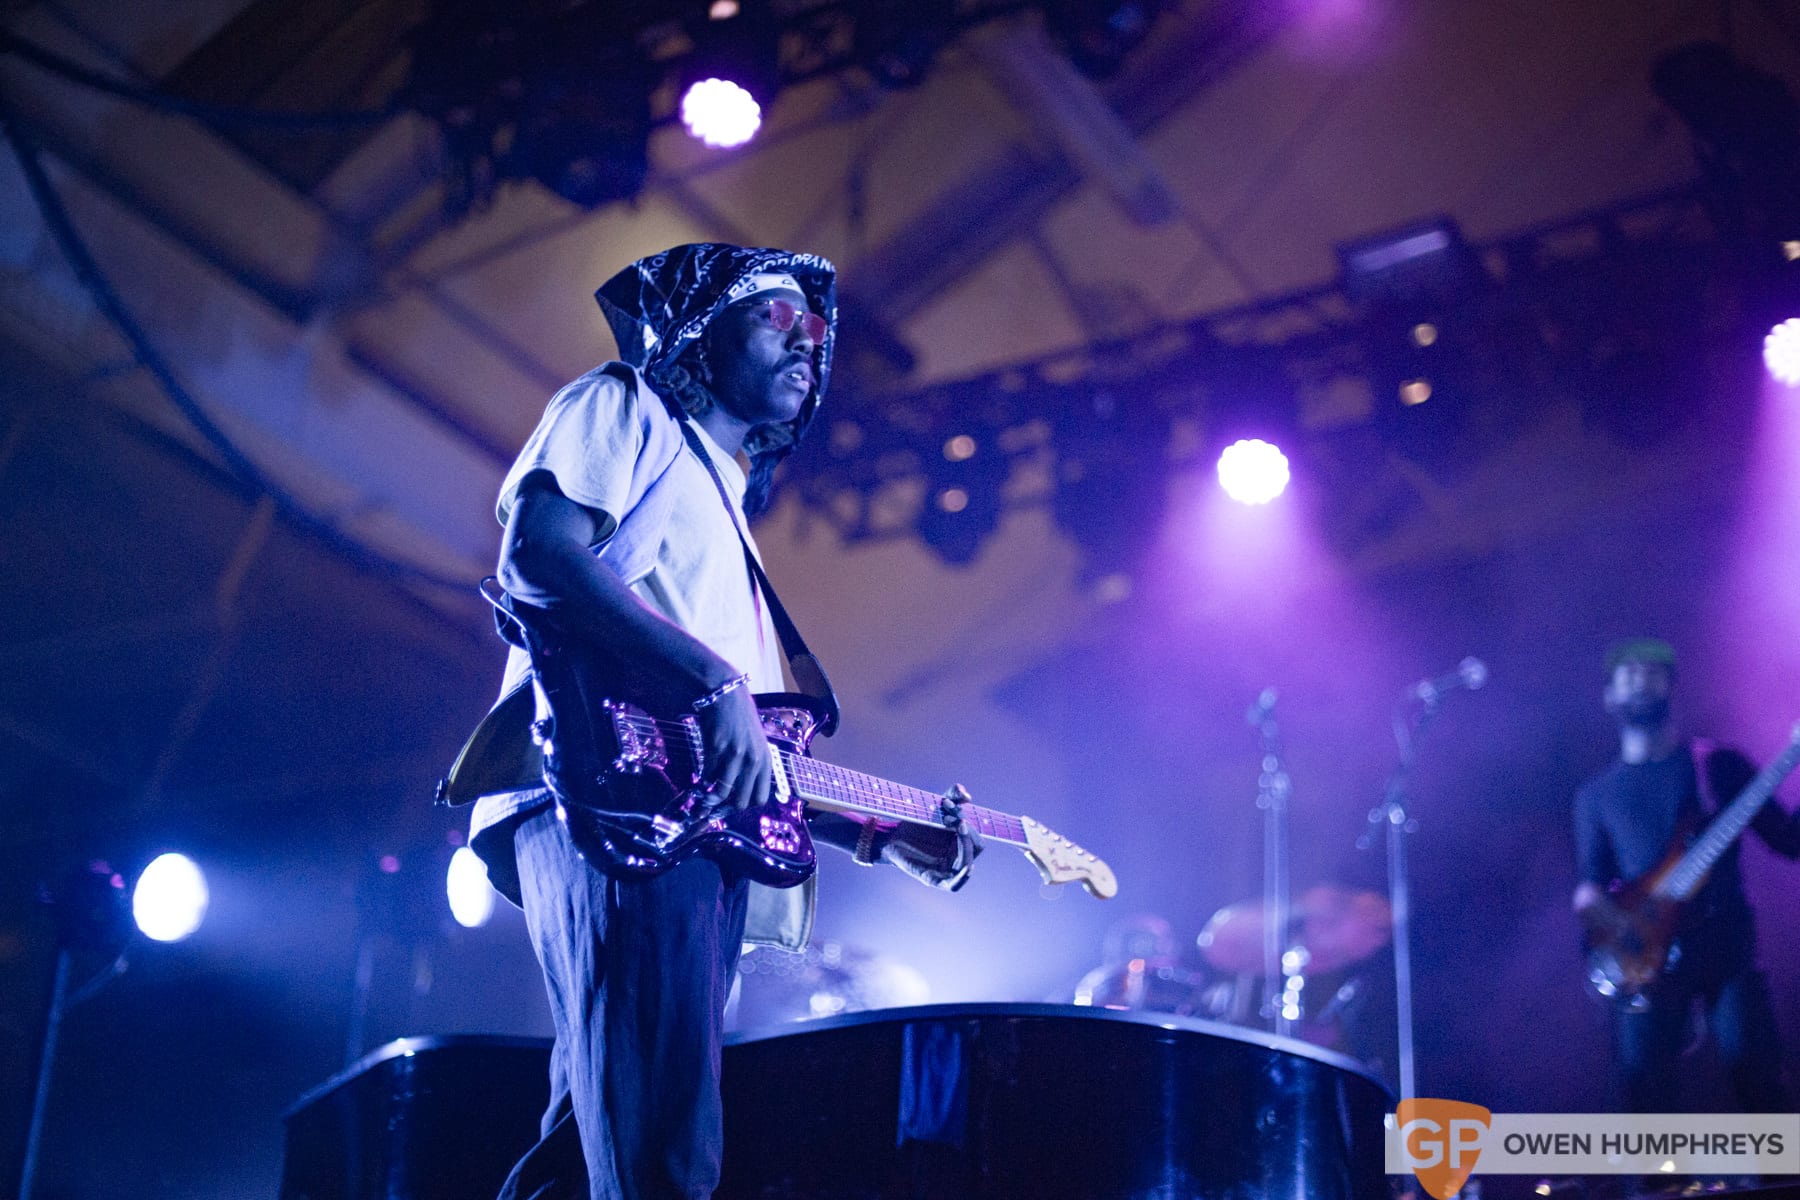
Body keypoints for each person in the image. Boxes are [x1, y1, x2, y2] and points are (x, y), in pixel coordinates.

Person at [441, 243, 980, 1199]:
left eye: (813, 324)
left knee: (591, 1148)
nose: (808, 333)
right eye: (773, 313)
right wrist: (713, 678)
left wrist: (874, 831)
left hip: (667, 819)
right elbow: (538, 558)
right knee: (663, 1149)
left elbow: (733, 756)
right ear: (696, 328)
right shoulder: (623, 405)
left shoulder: (722, 504)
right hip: (602, 805)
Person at [1571, 637, 1798, 1113]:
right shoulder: (1596, 796)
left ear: (1672, 686)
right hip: (1645, 956)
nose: (1639, 679)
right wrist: (1604, 916)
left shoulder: (1716, 764)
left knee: (1759, 1080)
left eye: (1651, 671)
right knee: (1644, 1095)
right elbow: (1591, 882)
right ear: (1608, 696)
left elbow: (1789, 841)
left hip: (1725, 945)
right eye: (1626, 673)